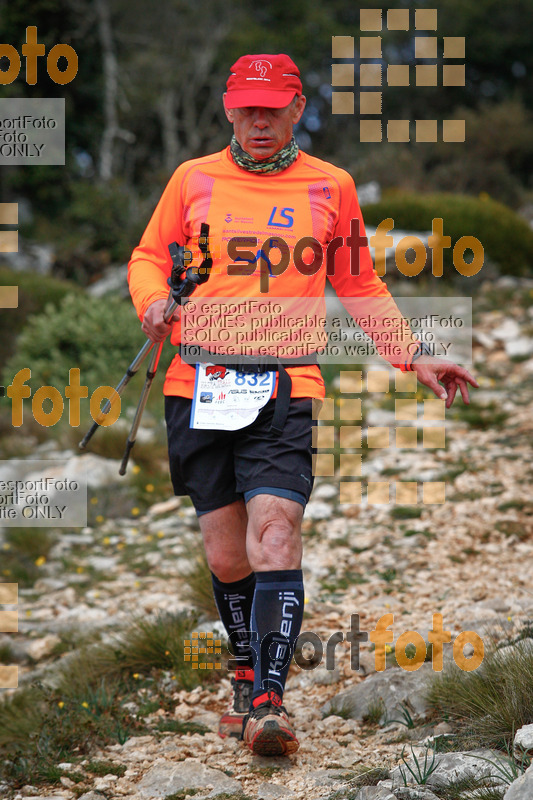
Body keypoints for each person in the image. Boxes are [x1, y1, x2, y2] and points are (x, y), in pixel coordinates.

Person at [127, 53, 478, 757]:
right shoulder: (191, 179)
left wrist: (412, 355)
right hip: (195, 382)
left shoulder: (330, 185)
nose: (258, 121)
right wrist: (153, 300)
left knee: (276, 533)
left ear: (296, 110)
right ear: (228, 108)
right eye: (246, 108)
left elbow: (358, 282)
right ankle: (243, 664)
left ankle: (268, 701)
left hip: (287, 383)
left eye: (272, 108)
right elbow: (146, 256)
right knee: (228, 557)